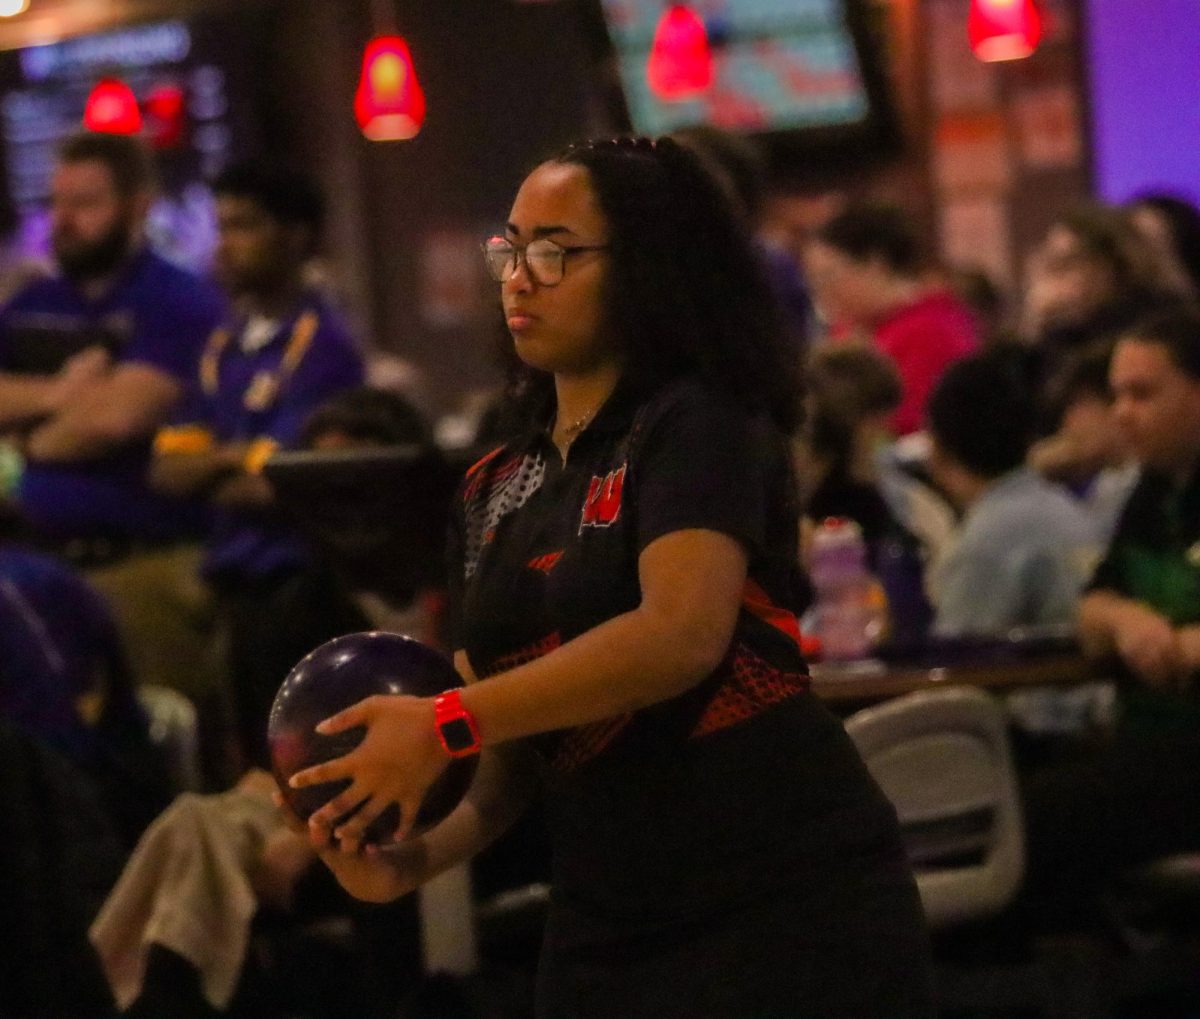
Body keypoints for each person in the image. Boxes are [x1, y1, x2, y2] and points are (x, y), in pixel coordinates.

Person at [286, 136, 933, 1018]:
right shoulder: (490, 484)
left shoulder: (700, 418)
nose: (520, 276)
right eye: (510, 248)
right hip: (605, 912)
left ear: (650, 266)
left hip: (781, 890)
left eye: (555, 251)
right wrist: (410, 859)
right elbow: (512, 750)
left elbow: (680, 635)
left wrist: (445, 718)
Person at [150, 160, 364, 772]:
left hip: (299, 592)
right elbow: (165, 473)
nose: (227, 244)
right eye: (222, 227)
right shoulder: (222, 348)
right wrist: (240, 461)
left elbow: (289, 486)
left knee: (310, 773)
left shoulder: (324, 347)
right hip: (232, 595)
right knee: (245, 776)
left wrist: (216, 465)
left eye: (244, 226)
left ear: (295, 236)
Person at [1021, 308, 1200, 920]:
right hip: (1148, 738)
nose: (1122, 412)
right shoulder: (1153, 490)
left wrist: (1183, 644)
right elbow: (1090, 608)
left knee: (1032, 816)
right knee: (1005, 769)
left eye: (1142, 394)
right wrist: (1129, 622)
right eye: (1116, 394)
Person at [0, 131, 223, 546]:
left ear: (138, 207)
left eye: (84, 205)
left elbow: (114, 421)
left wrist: (15, 447)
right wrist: (58, 393)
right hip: (27, 539)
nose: (62, 221)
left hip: (135, 540)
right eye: (55, 203)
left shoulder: (179, 300)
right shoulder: (33, 301)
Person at [924, 350, 1098, 637]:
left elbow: (957, 662)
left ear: (938, 451)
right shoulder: (1063, 507)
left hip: (1044, 682)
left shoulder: (988, 539)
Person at [806, 201, 979, 435]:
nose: (821, 291)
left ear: (875, 264)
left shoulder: (934, 329)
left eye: (828, 276)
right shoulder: (847, 329)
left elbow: (910, 424)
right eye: (814, 280)